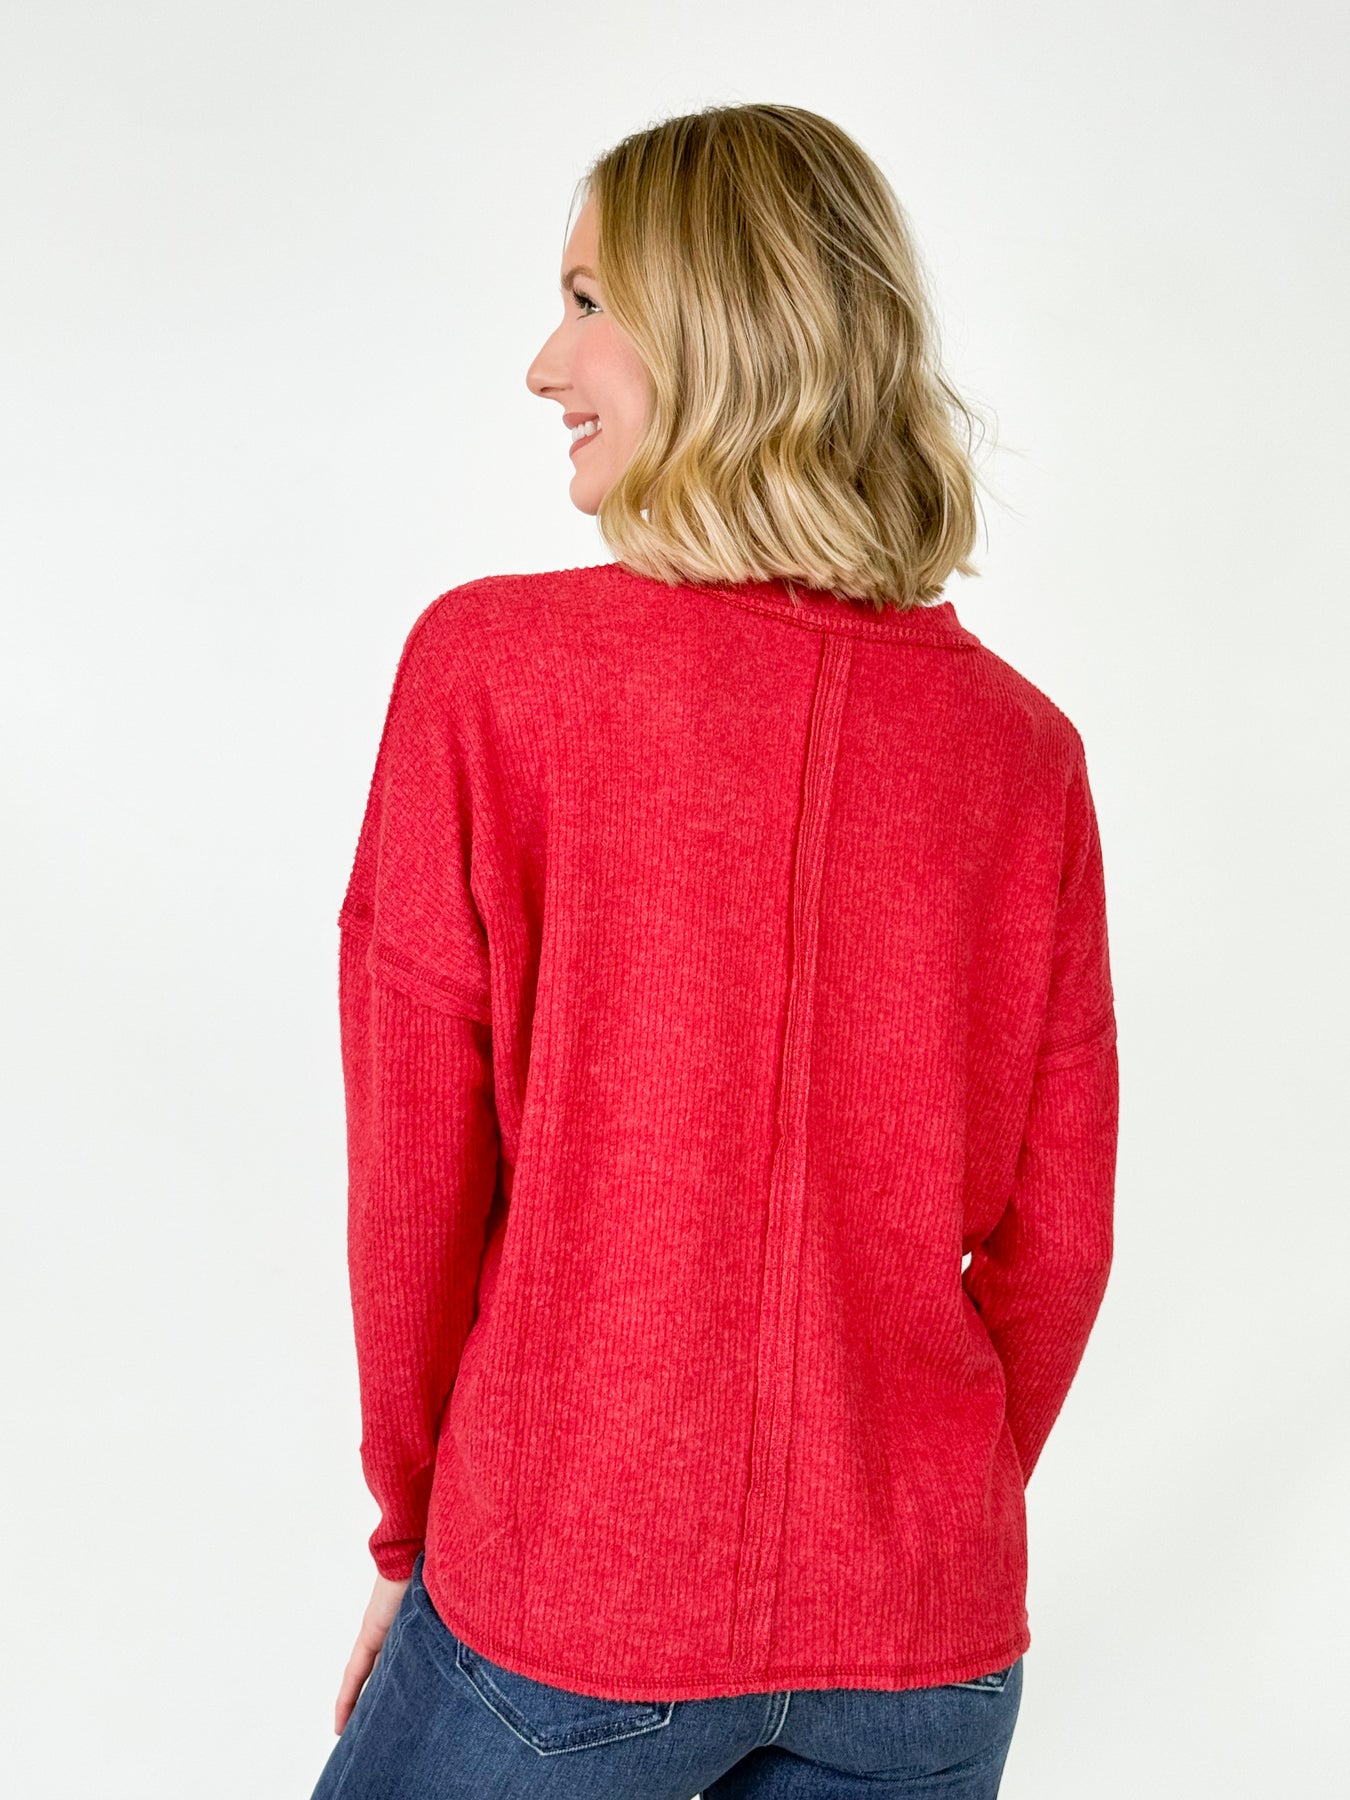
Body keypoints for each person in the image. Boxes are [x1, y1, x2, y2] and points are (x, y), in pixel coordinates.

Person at [309, 102, 1119, 1800]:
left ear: (720, 326)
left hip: (569, 1597)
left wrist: (413, 1534)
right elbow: (1054, 1246)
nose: (544, 363)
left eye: (588, 301)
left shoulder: (494, 673)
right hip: (924, 1640)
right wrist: (915, 1521)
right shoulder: (1020, 754)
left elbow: (414, 1183)